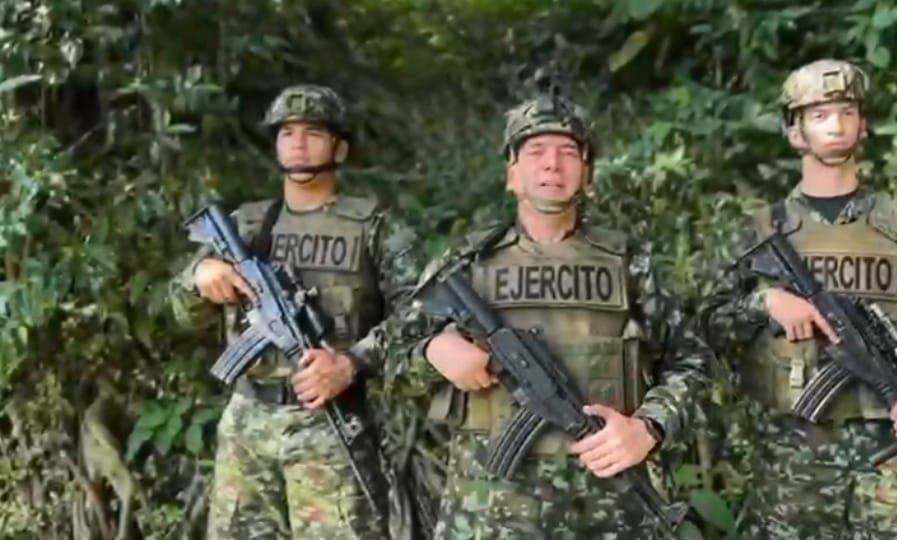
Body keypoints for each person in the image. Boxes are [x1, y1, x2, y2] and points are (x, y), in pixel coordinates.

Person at [383, 72, 712, 539]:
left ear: (588, 174)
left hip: (610, 507)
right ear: (511, 175)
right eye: (535, 152)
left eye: (568, 153)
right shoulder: (466, 264)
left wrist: (649, 427)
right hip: (489, 509)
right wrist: (434, 352)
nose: (552, 165)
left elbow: (693, 361)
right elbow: (391, 359)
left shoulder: (628, 263)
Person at [702, 59, 897, 539]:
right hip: (790, 456)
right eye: (820, 114)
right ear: (795, 131)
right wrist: (765, 304)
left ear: (863, 124)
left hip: (896, 451)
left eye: (847, 111)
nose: (837, 124)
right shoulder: (760, 233)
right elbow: (707, 325)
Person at [170, 84, 420, 539]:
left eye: (313, 132)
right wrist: (200, 277)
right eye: (286, 133)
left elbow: (420, 318)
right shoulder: (246, 225)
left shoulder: (375, 227)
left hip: (332, 425)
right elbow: (183, 313)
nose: (298, 143)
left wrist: (352, 362)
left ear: (339, 147)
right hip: (247, 422)